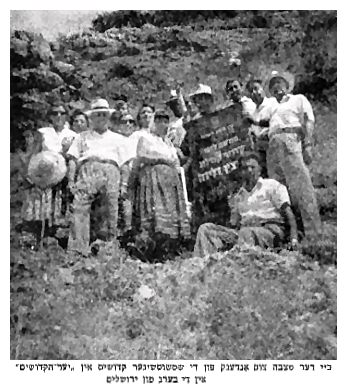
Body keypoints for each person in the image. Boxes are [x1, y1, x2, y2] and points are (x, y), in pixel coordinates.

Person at [194, 152, 298, 257]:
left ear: (260, 169)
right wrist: (232, 208)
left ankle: (241, 264)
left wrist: (294, 240)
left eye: (252, 167)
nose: (249, 171)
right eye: (245, 168)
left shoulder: (272, 186)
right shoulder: (239, 195)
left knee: (246, 233)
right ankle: (202, 264)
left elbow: (288, 214)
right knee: (206, 229)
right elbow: (234, 225)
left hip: (270, 231)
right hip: (244, 233)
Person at [67, 98, 128, 256]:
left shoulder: (119, 139)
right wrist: (71, 181)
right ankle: (77, 251)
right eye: (97, 115)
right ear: (91, 118)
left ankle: (105, 250)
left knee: (110, 211)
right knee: (80, 208)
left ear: (108, 117)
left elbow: (125, 164)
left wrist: (124, 184)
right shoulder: (81, 137)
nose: (101, 117)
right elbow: (73, 159)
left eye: (104, 114)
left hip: (111, 170)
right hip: (88, 169)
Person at [128, 109, 191, 261]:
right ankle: (149, 250)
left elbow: (176, 164)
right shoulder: (146, 138)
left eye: (165, 121)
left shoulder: (168, 144)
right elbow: (142, 155)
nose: (162, 124)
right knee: (154, 215)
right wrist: (161, 160)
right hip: (153, 179)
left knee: (171, 216)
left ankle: (168, 250)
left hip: (170, 182)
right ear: (154, 122)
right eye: (159, 120)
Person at [266, 71, 321, 240]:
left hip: (291, 139)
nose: (276, 87)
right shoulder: (271, 107)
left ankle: (314, 234)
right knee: (280, 190)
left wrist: (308, 144)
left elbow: (308, 120)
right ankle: (292, 234)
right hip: (273, 146)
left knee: (301, 187)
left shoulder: (298, 99)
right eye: (273, 84)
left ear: (286, 85)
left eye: (279, 83)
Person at [245, 78, 279, 177]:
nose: (254, 93)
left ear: (263, 89)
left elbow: (275, 122)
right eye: (251, 91)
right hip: (260, 149)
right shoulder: (253, 111)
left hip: (273, 145)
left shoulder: (273, 103)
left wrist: (256, 122)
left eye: (256, 89)